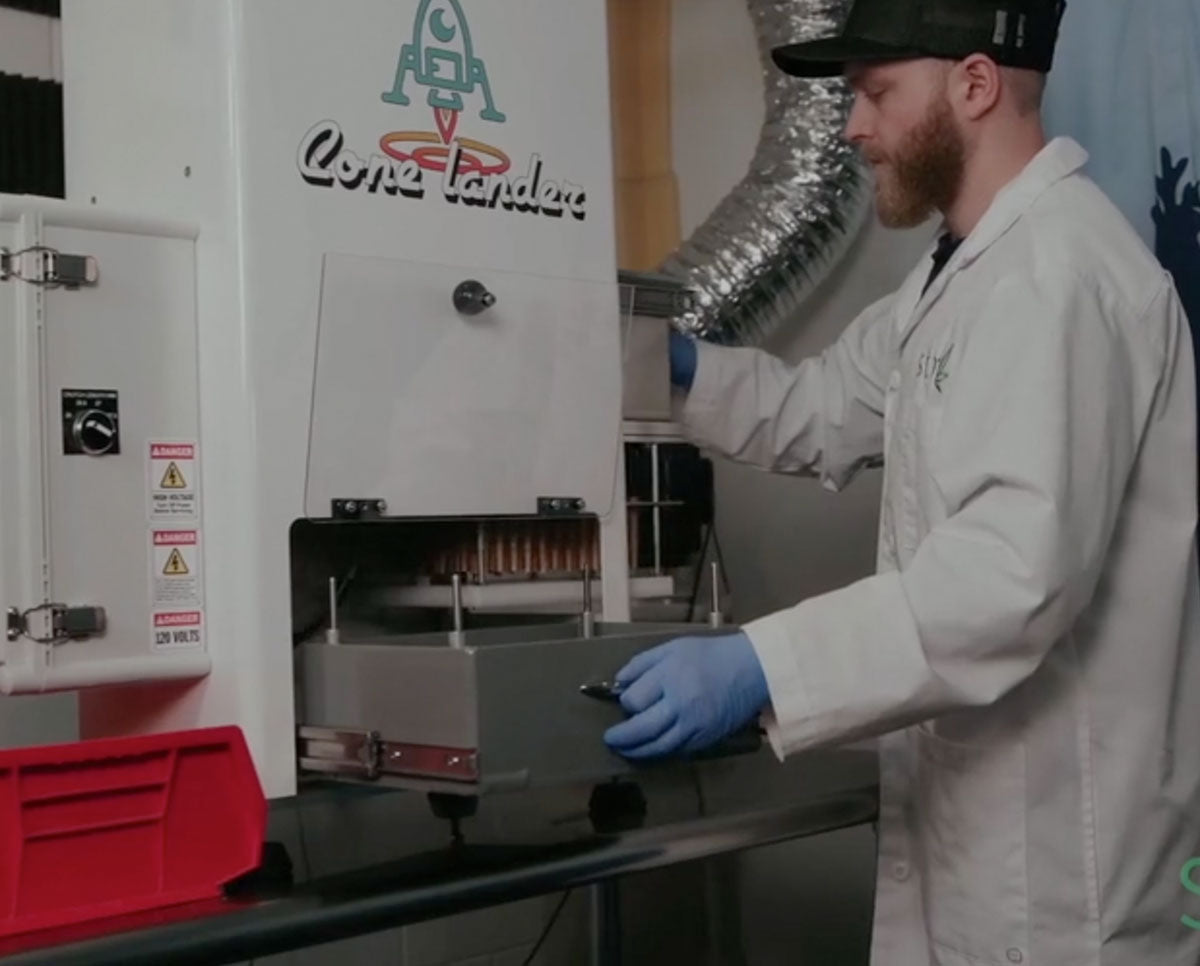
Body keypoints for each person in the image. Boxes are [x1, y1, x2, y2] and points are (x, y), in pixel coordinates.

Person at [603, 0, 1200, 962]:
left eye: (875, 92)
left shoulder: (1061, 278)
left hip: (1060, 884)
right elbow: (825, 406)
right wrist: (672, 366)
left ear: (974, 83)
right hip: (981, 855)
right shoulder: (956, 276)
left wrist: (767, 665)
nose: (853, 127)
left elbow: (1009, 582)